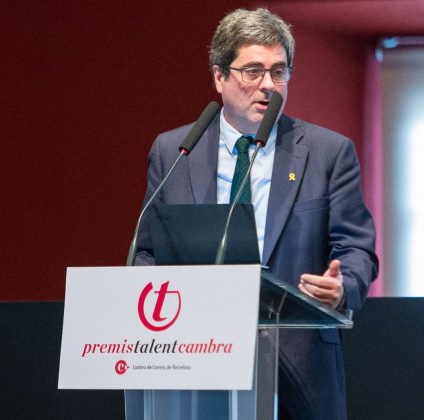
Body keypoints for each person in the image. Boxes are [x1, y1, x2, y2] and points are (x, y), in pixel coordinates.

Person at [135, 8, 378, 420]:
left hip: (298, 367)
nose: (268, 85)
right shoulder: (175, 150)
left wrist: (342, 287)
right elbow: (147, 252)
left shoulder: (327, 152)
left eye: (279, 72)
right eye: (253, 71)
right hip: (193, 358)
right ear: (219, 77)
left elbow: (357, 249)